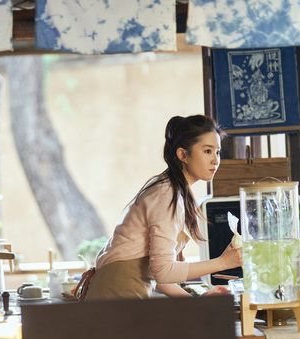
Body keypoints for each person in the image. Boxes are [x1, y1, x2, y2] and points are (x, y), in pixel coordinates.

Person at [76, 115, 243, 301]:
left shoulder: (175, 191)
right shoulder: (167, 194)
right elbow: (163, 272)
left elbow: (161, 278)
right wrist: (223, 262)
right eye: (207, 151)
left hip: (122, 290)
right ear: (183, 155)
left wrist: (197, 303)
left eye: (218, 152)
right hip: (117, 291)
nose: (215, 160)